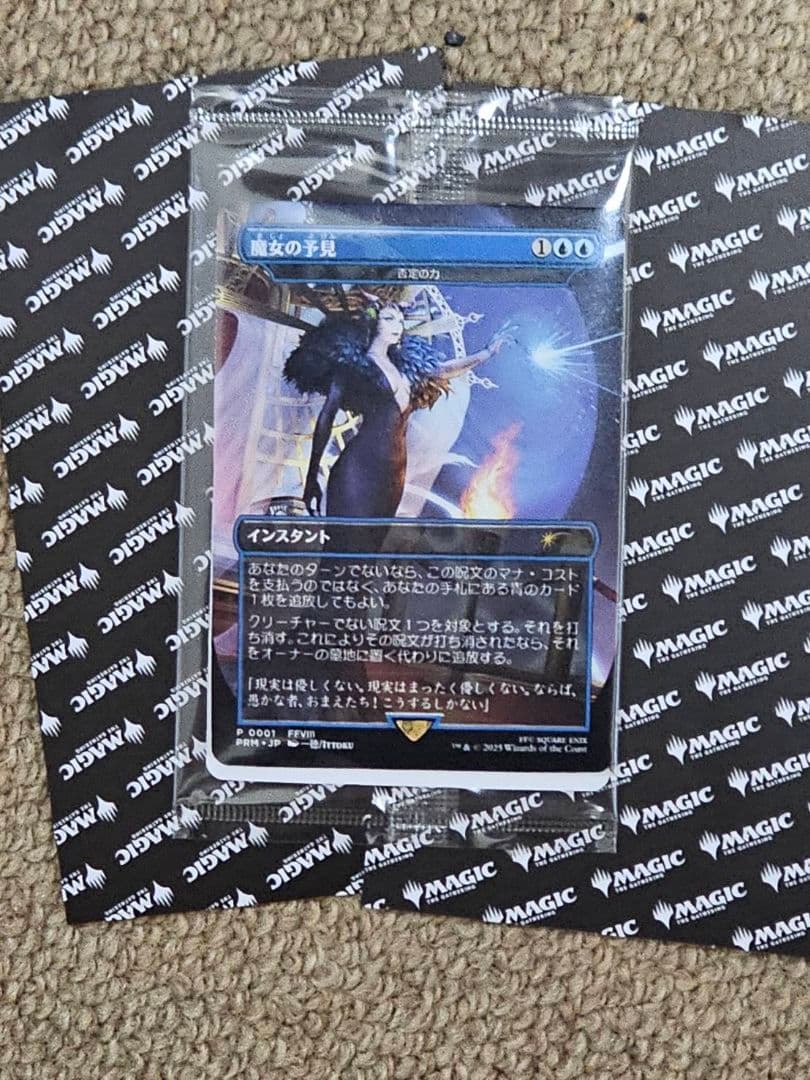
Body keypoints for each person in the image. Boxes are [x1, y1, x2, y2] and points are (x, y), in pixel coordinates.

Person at [283, 292, 511, 518]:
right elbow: (326, 418)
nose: (397, 326)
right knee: (346, 537)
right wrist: (311, 477)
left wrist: (486, 353)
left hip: (393, 476)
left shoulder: (405, 368)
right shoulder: (353, 365)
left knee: (374, 540)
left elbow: (444, 370)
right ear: (374, 322)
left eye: (400, 321)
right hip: (359, 469)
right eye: (389, 319)